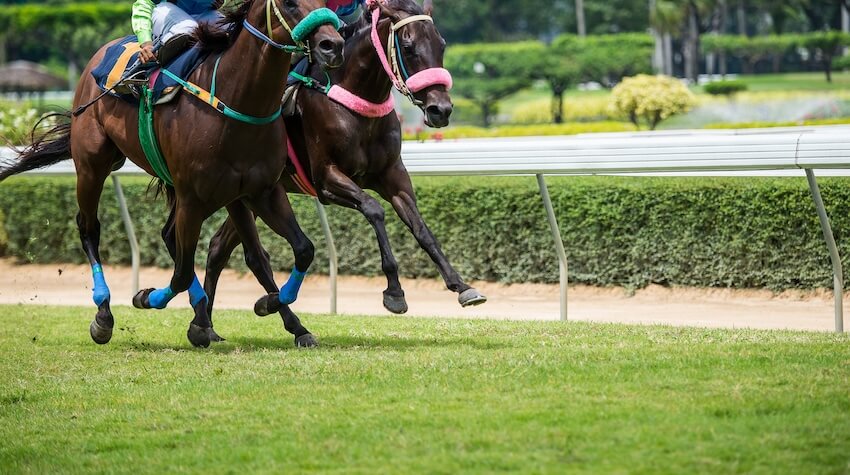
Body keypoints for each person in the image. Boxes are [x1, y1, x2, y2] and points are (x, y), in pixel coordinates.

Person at [131, 0, 222, 63]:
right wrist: (147, 44)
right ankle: (152, 66)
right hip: (161, 10)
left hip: (204, 13)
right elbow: (144, 4)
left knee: (230, 30)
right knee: (189, 29)